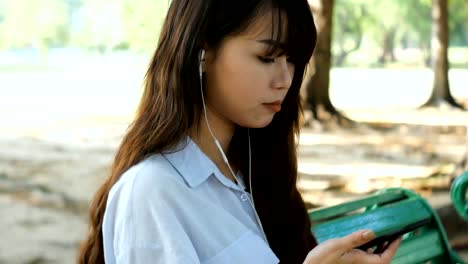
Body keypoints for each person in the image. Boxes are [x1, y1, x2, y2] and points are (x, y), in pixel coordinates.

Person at [77, 0, 402, 263]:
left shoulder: (255, 173)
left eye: (292, 60)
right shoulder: (152, 191)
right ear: (202, 52)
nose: (285, 80)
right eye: (267, 57)